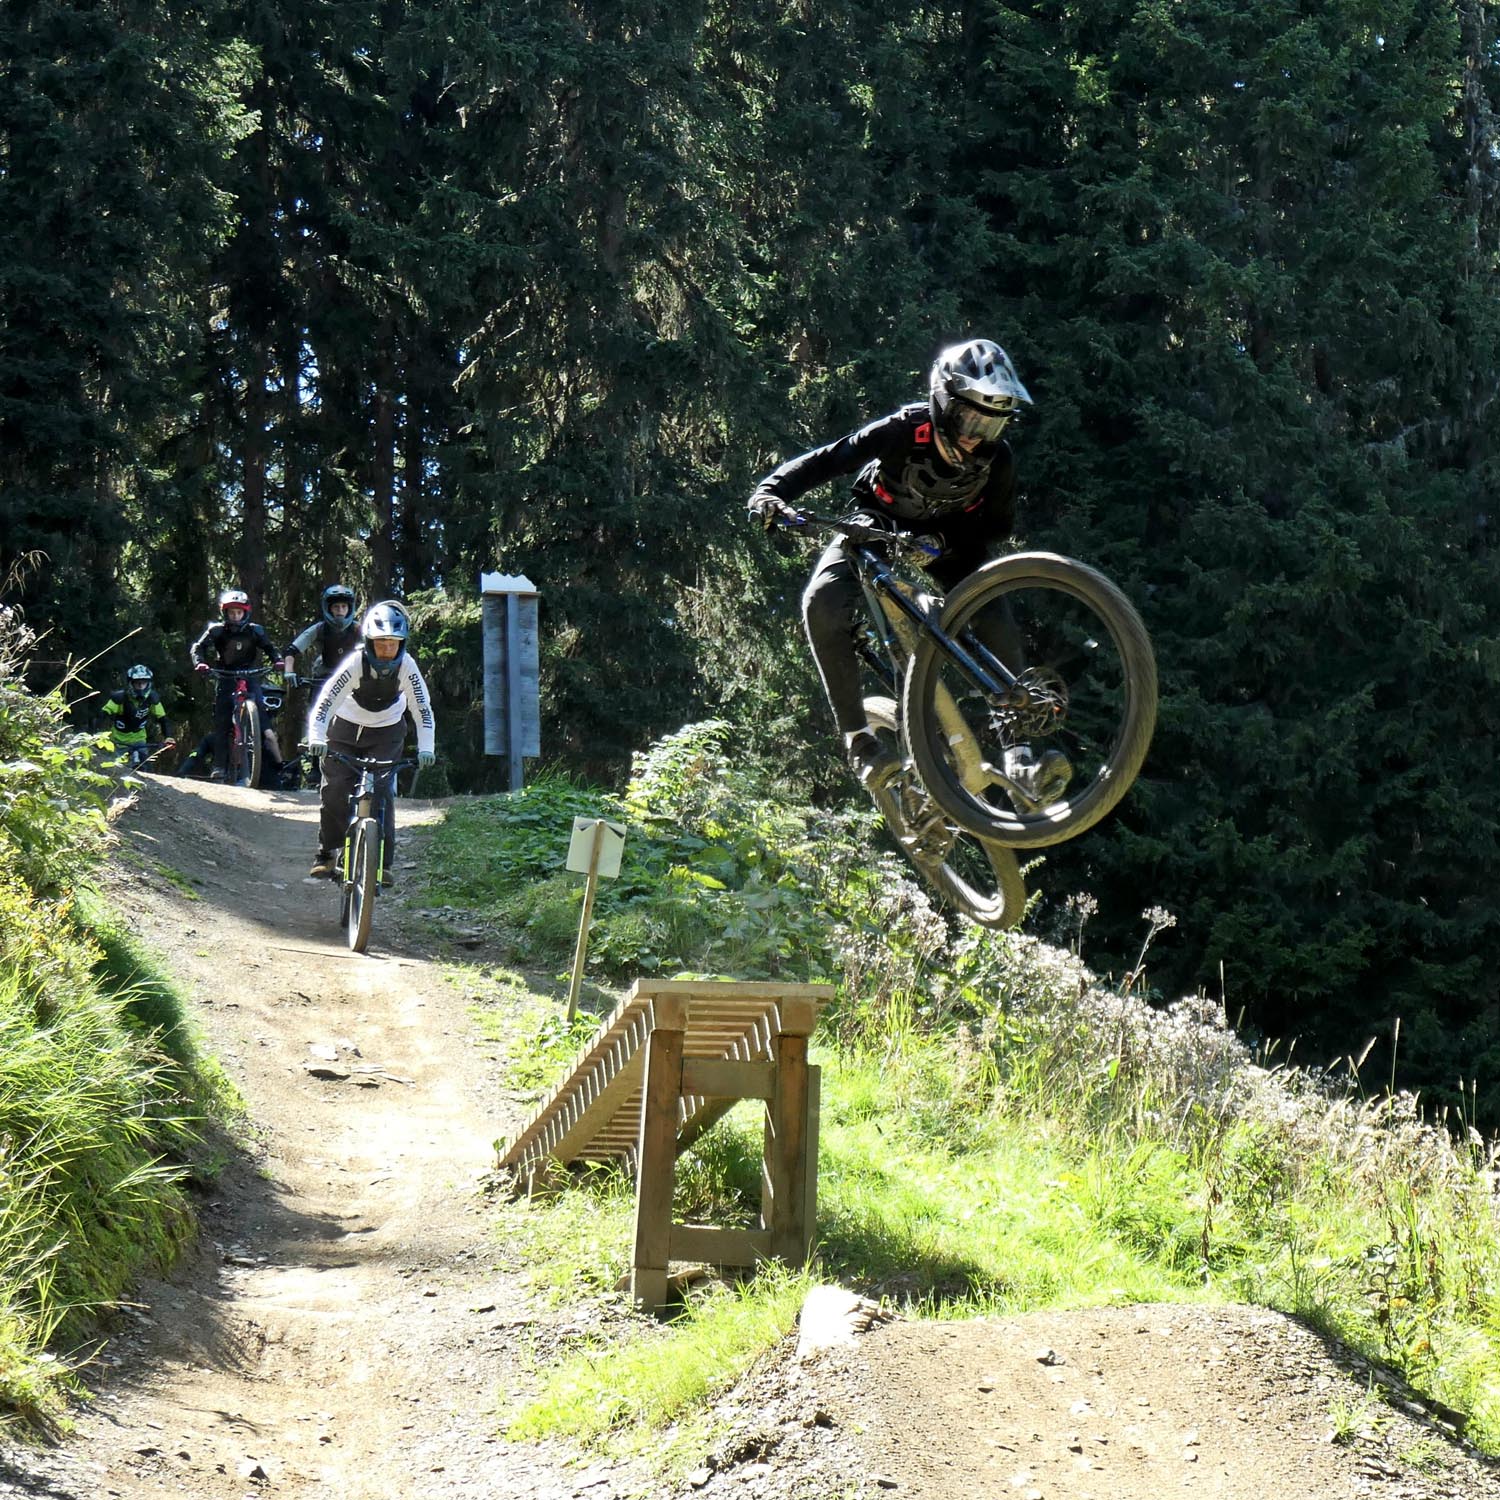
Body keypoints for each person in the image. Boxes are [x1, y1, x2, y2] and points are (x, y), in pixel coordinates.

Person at [747, 337, 1070, 807]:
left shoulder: (999, 462)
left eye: (993, 423)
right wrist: (771, 492)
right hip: (877, 523)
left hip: (949, 541)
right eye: (971, 417)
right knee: (822, 603)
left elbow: (996, 529)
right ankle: (859, 740)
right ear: (943, 402)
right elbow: (829, 460)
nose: (977, 434)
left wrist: (944, 542)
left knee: (992, 609)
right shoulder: (904, 428)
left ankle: (1018, 752)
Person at [304, 599, 436, 881]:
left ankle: (382, 865)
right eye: (381, 643)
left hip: (386, 733)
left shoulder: (408, 666)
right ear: (369, 641)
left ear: (402, 643)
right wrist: (316, 736)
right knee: (335, 789)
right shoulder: (355, 662)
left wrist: (426, 747)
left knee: (383, 793)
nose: (388, 651)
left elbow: (422, 709)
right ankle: (327, 852)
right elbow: (325, 702)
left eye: (394, 644)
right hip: (344, 731)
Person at [189, 588, 288, 782]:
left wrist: (277, 660)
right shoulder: (216, 631)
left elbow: (270, 648)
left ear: (245, 612)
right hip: (225, 675)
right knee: (222, 721)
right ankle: (219, 766)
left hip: (250, 676)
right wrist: (200, 663)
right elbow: (198, 647)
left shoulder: (255, 630)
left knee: (263, 721)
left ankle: (274, 766)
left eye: (239, 612)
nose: (235, 616)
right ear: (225, 613)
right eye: (231, 612)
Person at [100, 664, 175, 767]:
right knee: (117, 769)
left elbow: (163, 719)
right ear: (131, 683)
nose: (140, 686)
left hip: (140, 740)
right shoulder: (120, 698)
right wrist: (96, 735)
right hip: (119, 742)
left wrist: (168, 737)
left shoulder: (152, 699)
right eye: (137, 683)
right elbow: (102, 715)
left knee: (146, 766)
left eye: (143, 683)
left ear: (148, 684)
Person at [284, 583, 359, 687]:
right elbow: (291, 650)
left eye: (344, 606)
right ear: (329, 609)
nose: (340, 610)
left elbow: (374, 648)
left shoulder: (358, 629)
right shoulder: (320, 629)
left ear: (349, 608)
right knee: (316, 702)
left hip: (352, 677)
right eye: (336, 607)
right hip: (324, 677)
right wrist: (289, 672)